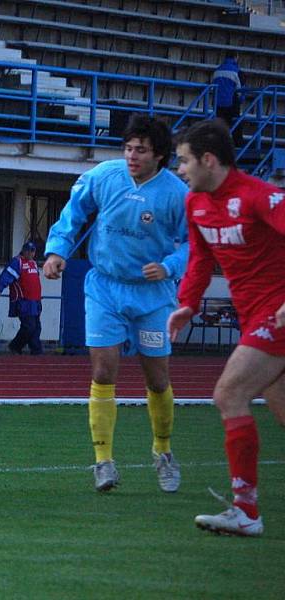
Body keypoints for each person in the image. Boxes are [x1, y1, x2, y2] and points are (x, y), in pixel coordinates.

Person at [43, 114, 189, 493]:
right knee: (103, 371)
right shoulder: (104, 176)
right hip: (104, 287)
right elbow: (72, 214)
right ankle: (103, 462)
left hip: (153, 296)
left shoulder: (177, 193)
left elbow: (195, 243)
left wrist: (171, 265)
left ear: (159, 155)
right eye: (127, 148)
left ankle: (163, 451)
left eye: (140, 150)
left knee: (157, 378)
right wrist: (57, 251)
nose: (131, 156)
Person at [168, 119, 285, 537]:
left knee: (229, 393)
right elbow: (200, 259)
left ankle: (246, 511)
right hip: (255, 316)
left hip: (277, 314)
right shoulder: (195, 204)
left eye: (183, 161)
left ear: (209, 159)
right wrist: (187, 304)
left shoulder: (259, 196)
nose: (179, 169)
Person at [0, 240, 43, 355]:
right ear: (24, 251)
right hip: (23, 301)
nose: (31, 254)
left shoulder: (33, 263)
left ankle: (36, 351)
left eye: (33, 251)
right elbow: (6, 276)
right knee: (29, 326)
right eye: (29, 251)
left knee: (36, 327)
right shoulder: (17, 262)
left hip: (35, 301)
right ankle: (15, 346)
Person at [212, 54, 244, 147]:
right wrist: (241, 100)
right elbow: (240, 90)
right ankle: (237, 146)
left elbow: (213, 87)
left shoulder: (217, 70)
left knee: (219, 127)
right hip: (231, 104)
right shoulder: (237, 71)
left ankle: (218, 146)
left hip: (218, 105)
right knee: (236, 125)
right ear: (236, 57)